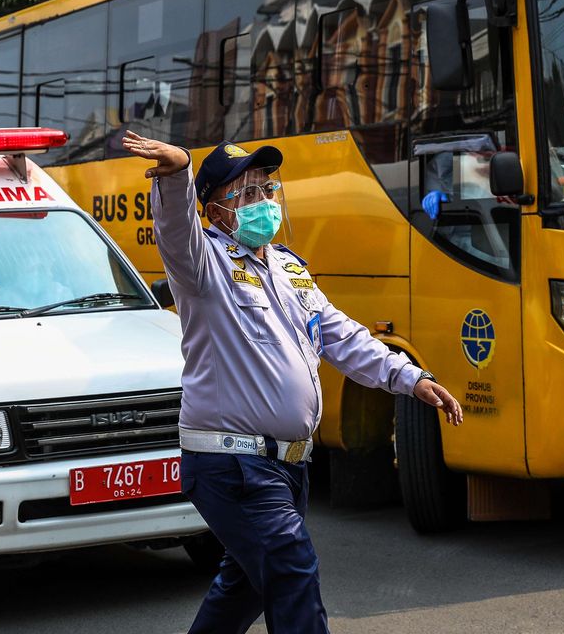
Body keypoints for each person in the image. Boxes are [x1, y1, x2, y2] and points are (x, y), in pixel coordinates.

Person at [124, 130, 463, 634]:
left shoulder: (287, 268)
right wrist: (176, 175)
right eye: (248, 193)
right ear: (216, 211)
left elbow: (340, 335)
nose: (263, 201)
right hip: (232, 463)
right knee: (291, 571)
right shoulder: (203, 266)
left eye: (267, 188)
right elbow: (175, 231)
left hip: (287, 464)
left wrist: (409, 377)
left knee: (248, 585)